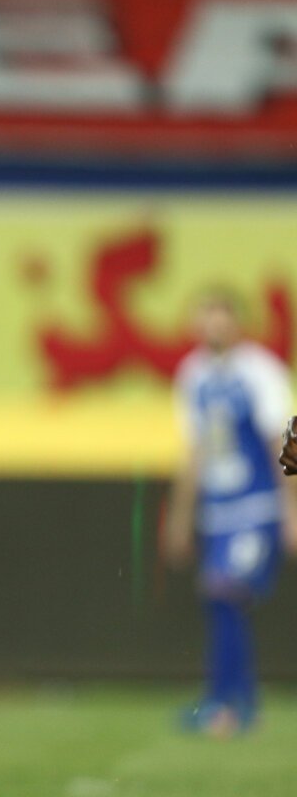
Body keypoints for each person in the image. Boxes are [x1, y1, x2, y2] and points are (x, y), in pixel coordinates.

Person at [166, 290, 296, 736]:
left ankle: (226, 704)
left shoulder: (260, 371)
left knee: (225, 590)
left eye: (220, 316)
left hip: (256, 506)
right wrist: (181, 518)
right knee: (220, 597)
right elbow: (195, 451)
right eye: (206, 316)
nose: (212, 325)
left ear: (238, 322)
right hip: (218, 512)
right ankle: (239, 703)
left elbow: (281, 442)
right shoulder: (193, 374)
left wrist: (291, 509)